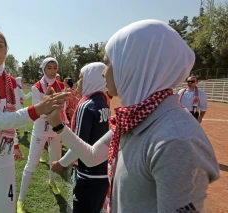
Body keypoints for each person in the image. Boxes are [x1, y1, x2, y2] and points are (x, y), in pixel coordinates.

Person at [48, 20, 220, 213]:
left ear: (133, 65)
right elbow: (92, 156)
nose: (104, 73)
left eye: (108, 63)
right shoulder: (134, 118)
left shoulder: (176, 141)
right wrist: (56, 122)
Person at [0, 30, 68, 213]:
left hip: (4, 156)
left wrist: (15, 144)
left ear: (6, 50)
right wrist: (38, 109)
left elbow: (14, 116)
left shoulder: (10, 82)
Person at [52, 62, 110, 213]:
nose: (77, 82)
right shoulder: (104, 102)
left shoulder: (87, 105)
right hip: (103, 173)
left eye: (81, 77)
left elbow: (79, 144)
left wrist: (61, 163)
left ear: (91, 79)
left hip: (87, 174)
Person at [17, 57, 66, 213]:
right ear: (44, 69)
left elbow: (62, 106)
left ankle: (52, 182)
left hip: (56, 128)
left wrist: (54, 109)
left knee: (55, 160)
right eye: (49, 67)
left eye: (54, 68)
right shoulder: (37, 87)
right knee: (32, 162)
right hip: (40, 128)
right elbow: (39, 110)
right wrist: (52, 109)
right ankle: (20, 200)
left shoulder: (61, 85)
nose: (52, 70)